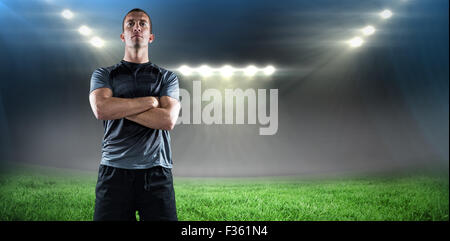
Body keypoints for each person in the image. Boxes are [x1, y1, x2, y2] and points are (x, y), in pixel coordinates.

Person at [88, 8, 181, 221]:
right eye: (130, 24)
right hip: (114, 171)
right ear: (123, 36)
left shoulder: (166, 77)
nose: (136, 27)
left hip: (157, 172)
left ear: (151, 37)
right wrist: (149, 102)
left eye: (142, 24)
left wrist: (117, 108)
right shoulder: (104, 74)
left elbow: (167, 120)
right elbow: (101, 109)